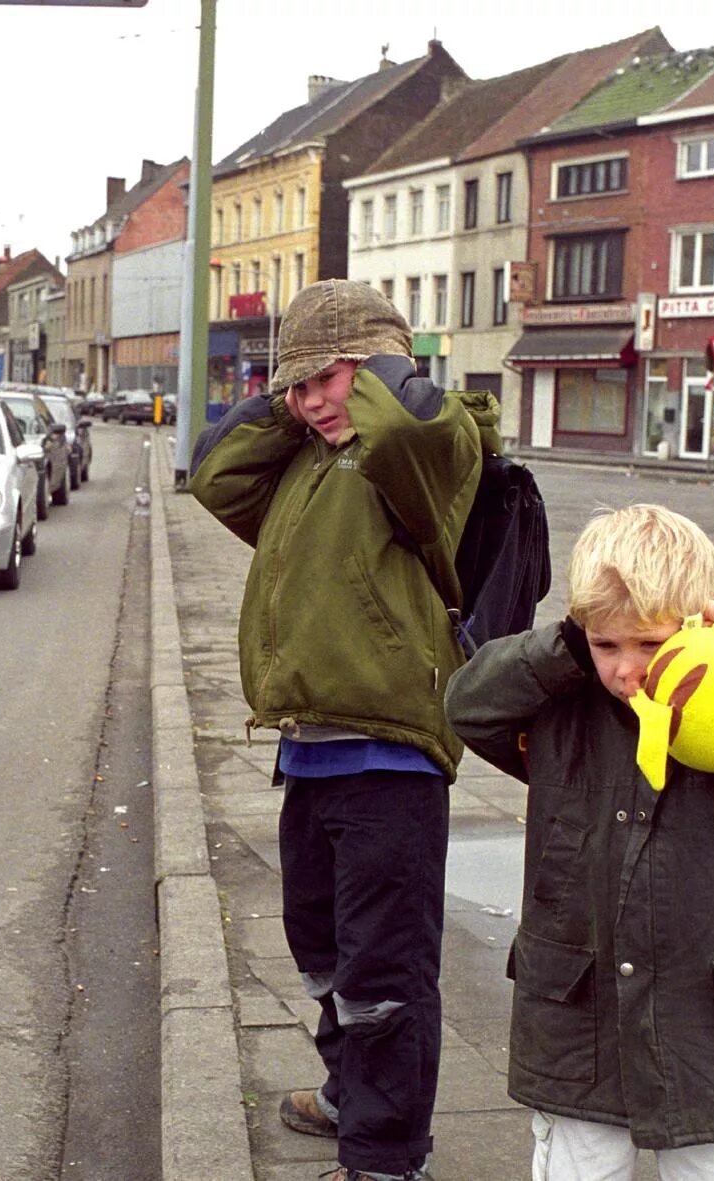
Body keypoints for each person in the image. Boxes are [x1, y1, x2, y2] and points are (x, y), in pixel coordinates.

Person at [444, 504, 714, 1181]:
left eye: (650, 645)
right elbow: (468, 701)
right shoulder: (562, 707)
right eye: (606, 645)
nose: (626, 670)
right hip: (580, 1020)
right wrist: (566, 645)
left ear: (698, 626)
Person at [188, 279, 501, 1181]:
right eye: (296, 385)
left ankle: (387, 1156)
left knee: (386, 971)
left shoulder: (437, 446)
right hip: (313, 747)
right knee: (322, 946)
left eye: (331, 379)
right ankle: (347, 1093)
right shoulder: (309, 457)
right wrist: (294, 397)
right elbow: (215, 475)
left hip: (392, 756)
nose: (312, 401)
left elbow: (406, 424)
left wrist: (374, 366)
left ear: (383, 366)